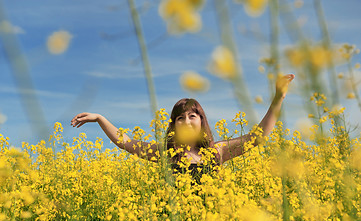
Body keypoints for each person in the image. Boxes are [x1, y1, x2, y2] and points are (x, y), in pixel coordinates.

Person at [70, 73, 295, 185]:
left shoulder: (217, 152)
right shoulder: (166, 154)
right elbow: (126, 142)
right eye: (180, 118)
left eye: (192, 115)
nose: (186, 121)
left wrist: (278, 99)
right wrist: (99, 118)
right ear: (173, 125)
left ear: (201, 120)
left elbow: (257, 137)